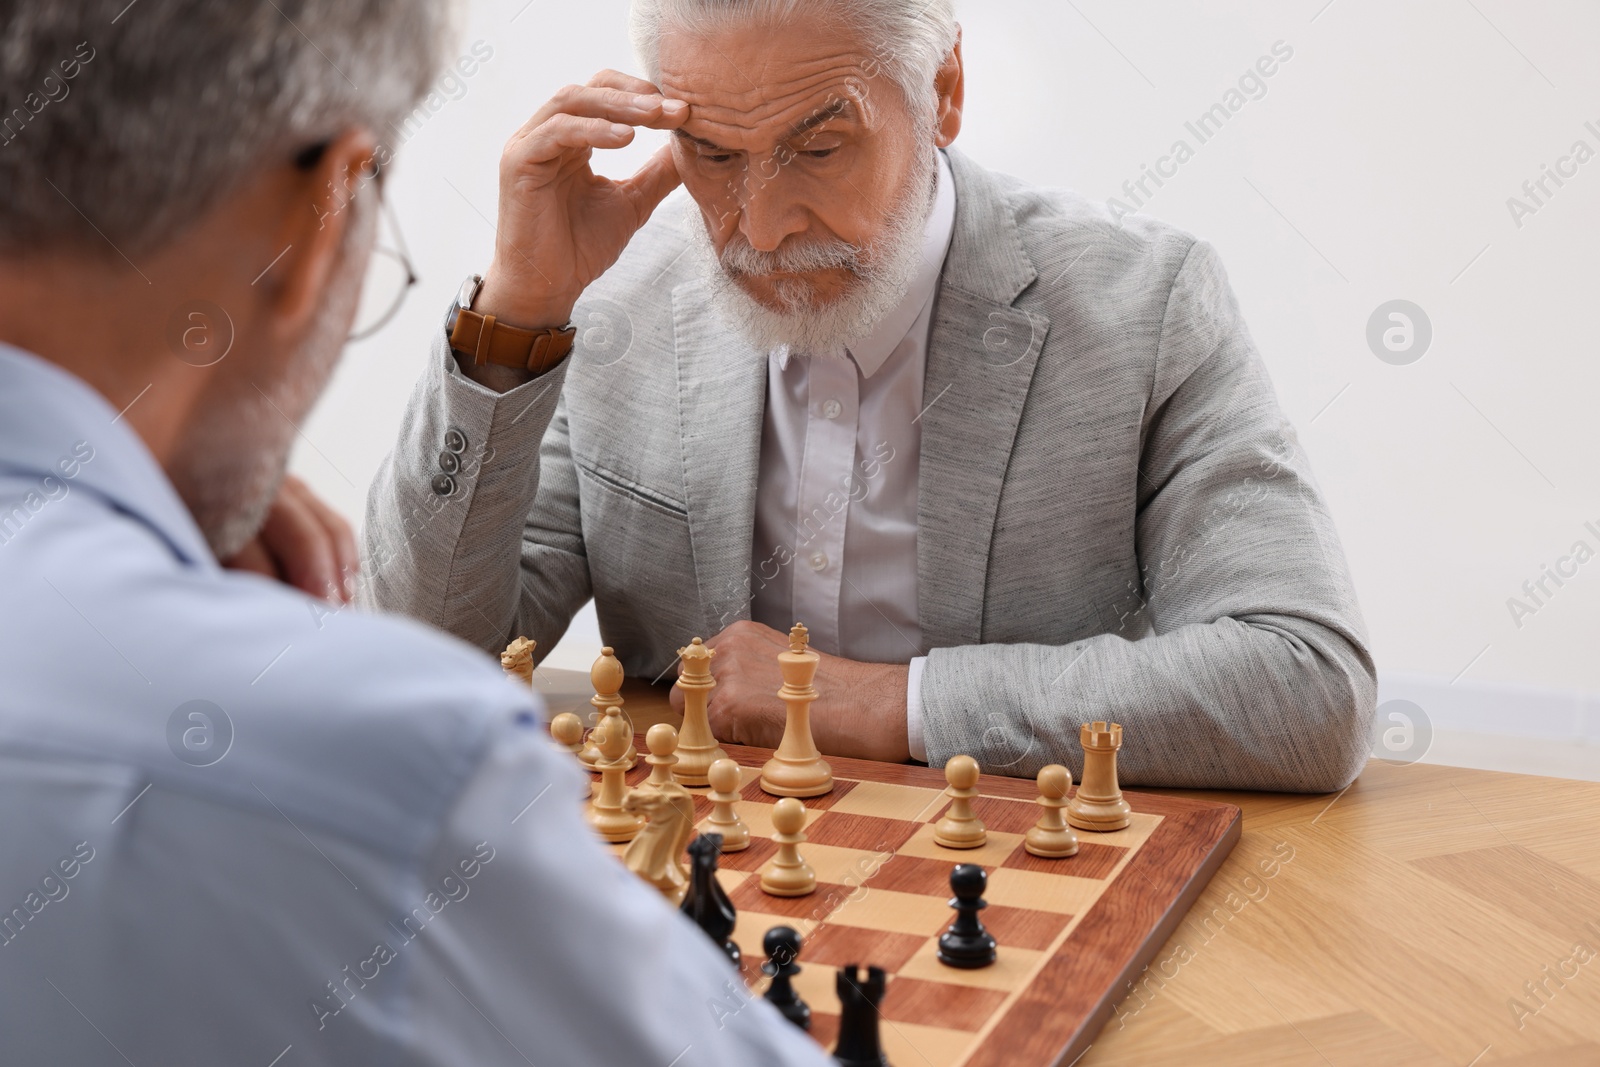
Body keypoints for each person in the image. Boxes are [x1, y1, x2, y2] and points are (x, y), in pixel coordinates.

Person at [0, 2, 828, 1064]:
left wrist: (150, 508)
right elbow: (438, 628)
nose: (758, 222)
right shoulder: (384, 763)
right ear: (323, 213)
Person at [365, 0, 1377, 793]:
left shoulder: (1146, 305)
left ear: (942, 90)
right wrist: (514, 317)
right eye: (713, 154)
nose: (758, 230)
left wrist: (880, 705)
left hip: (1023, 891)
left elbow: (1305, 684)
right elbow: (415, 659)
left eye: (816, 146)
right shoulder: (611, 304)